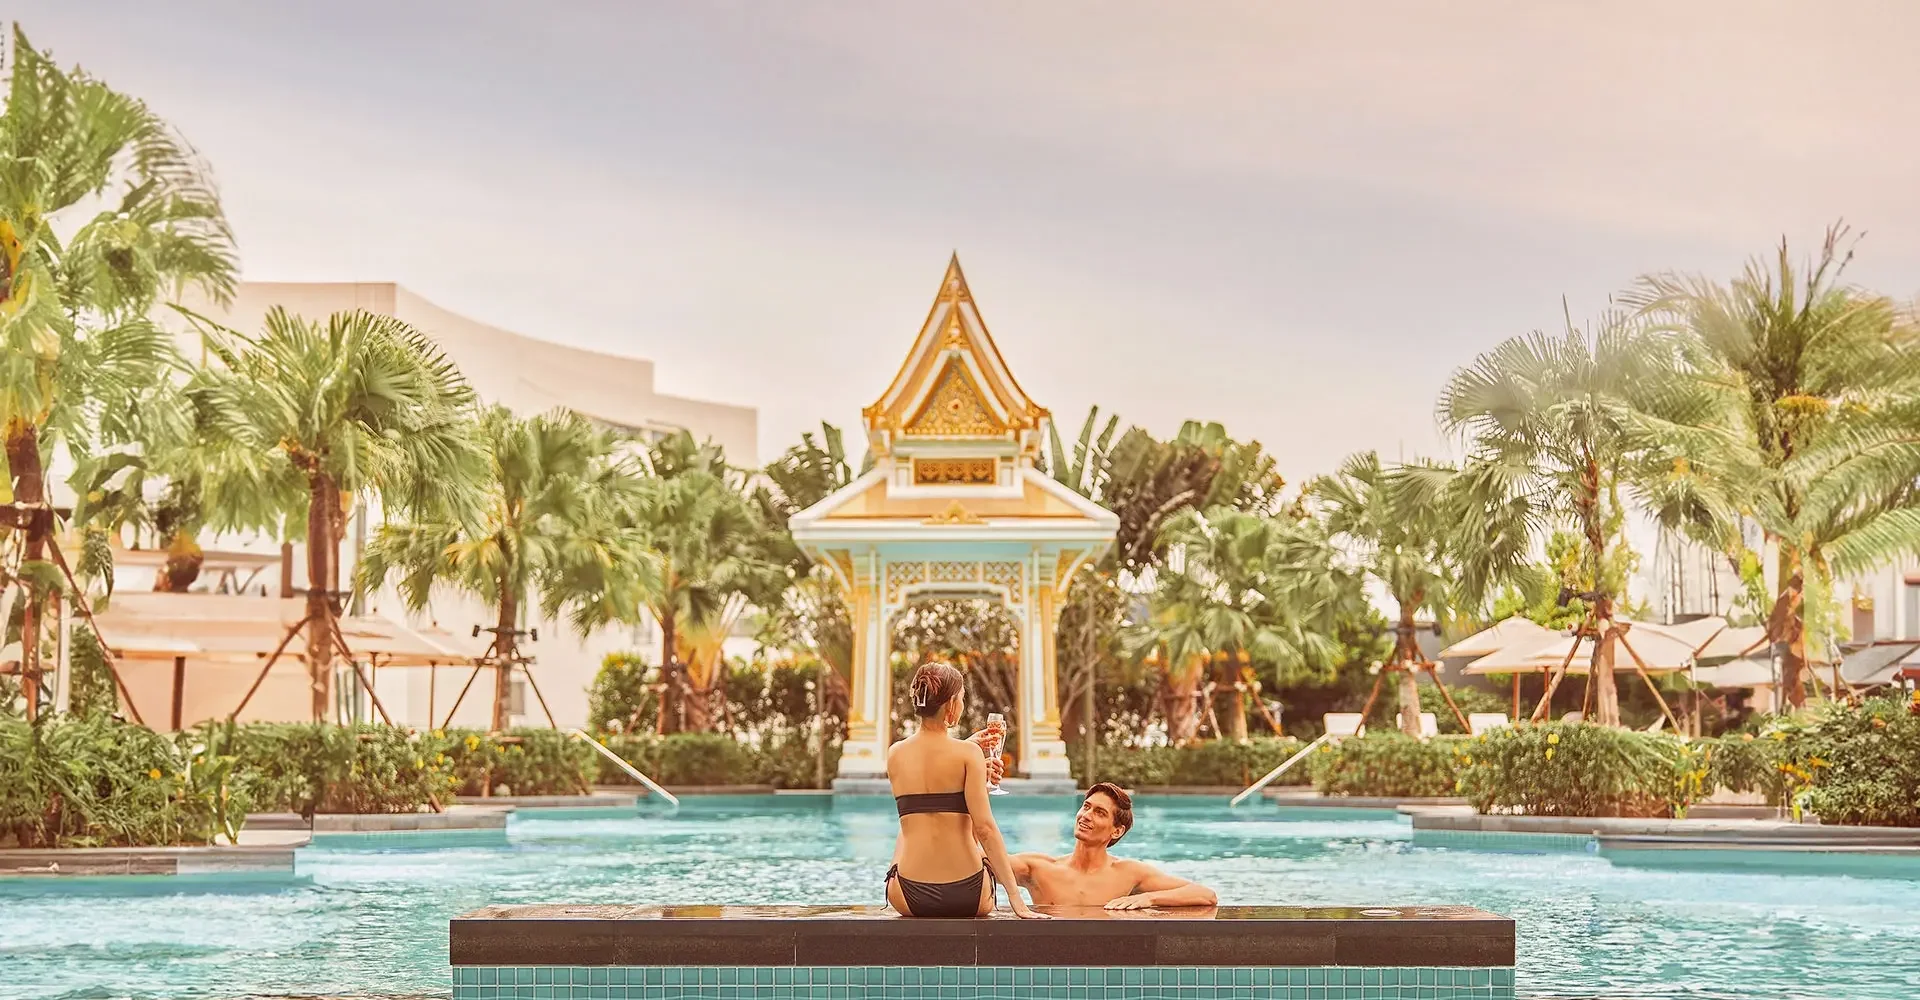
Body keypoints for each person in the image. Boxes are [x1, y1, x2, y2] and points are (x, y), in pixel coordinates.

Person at [884, 661, 1045, 919]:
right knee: (967, 819)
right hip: (967, 894)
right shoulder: (967, 754)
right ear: (950, 705)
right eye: (961, 698)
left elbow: (932, 789)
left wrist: (972, 762)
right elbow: (985, 829)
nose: (962, 704)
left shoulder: (895, 754)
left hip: (908, 895)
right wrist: (1017, 899)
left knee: (910, 825)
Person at [1005, 782, 1217, 910]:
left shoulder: (1129, 873)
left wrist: (1148, 898)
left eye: (1099, 812)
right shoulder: (1038, 868)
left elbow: (1205, 894)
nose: (1086, 816)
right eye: (1086, 807)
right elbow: (978, 862)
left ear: (1117, 831)